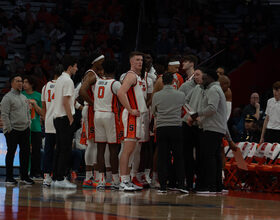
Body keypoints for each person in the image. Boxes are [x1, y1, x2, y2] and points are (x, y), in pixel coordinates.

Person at [190, 69, 227, 193]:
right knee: (215, 157)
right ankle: (217, 186)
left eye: (205, 78)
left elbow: (212, 108)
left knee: (208, 157)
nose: (202, 81)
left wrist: (197, 114)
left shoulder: (213, 89)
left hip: (212, 127)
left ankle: (207, 186)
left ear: (211, 78)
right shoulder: (217, 89)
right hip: (217, 127)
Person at [152, 72, 188, 193]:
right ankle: (181, 185)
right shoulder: (181, 94)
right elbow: (185, 110)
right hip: (176, 127)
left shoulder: (156, 95)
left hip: (162, 127)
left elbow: (154, 112)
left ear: (162, 82)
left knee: (162, 157)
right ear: (174, 81)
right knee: (178, 157)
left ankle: (162, 186)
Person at [117, 51, 147, 191]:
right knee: (127, 150)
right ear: (131, 61)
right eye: (137, 60)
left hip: (137, 117)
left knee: (132, 150)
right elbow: (120, 92)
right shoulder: (130, 75)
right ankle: (123, 180)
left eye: (141, 60)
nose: (140, 62)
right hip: (131, 116)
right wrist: (129, 109)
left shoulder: (137, 76)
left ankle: (127, 179)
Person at [0, 74, 34, 185]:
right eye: (18, 81)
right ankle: (9, 177)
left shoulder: (24, 97)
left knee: (25, 153)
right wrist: (9, 129)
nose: (21, 83)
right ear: (12, 83)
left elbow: (28, 113)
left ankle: (24, 176)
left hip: (24, 129)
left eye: (21, 81)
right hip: (12, 130)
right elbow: (4, 115)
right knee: (11, 152)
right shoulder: (7, 97)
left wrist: (29, 123)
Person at [94, 59, 121, 190]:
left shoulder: (98, 81)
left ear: (103, 70)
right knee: (113, 149)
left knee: (100, 149)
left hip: (97, 114)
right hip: (109, 115)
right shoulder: (115, 84)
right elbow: (122, 98)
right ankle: (116, 180)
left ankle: (101, 180)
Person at [79, 53, 105, 188]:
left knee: (94, 143)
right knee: (91, 143)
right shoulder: (91, 75)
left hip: (91, 110)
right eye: (101, 60)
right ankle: (89, 176)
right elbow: (82, 91)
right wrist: (93, 103)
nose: (103, 62)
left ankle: (92, 176)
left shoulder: (95, 74)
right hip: (90, 110)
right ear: (95, 62)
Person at [52, 56, 78, 189]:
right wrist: (71, 118)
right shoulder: (68, 81)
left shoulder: (59, 80)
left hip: (57, 118)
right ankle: (61, 177)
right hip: (64, 118)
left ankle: (56, 177)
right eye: (75, 66)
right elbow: (66, 101)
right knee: (65, 149)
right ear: (70, 67)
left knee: (60, 149)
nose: (76, 69)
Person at [41, 64, 63, 186]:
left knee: (48, 150)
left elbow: (44, 106)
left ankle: (46, 177)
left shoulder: (45, 86)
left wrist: (45, 120)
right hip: (59, 120)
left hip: (49, 121)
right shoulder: (62, 85)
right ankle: (59, 176)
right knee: (60, 151)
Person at [22, 75, 43, 179]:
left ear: (32, 84)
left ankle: (36, 172)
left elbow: (43, 113)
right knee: (25, 150)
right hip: (24, 127)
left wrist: (34, 105)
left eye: (26, 82)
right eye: (23, 82)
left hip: (36, 127)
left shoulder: (38, 96)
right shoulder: (21, 95)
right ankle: (25, 172)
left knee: (36, 151)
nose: (23, 84)